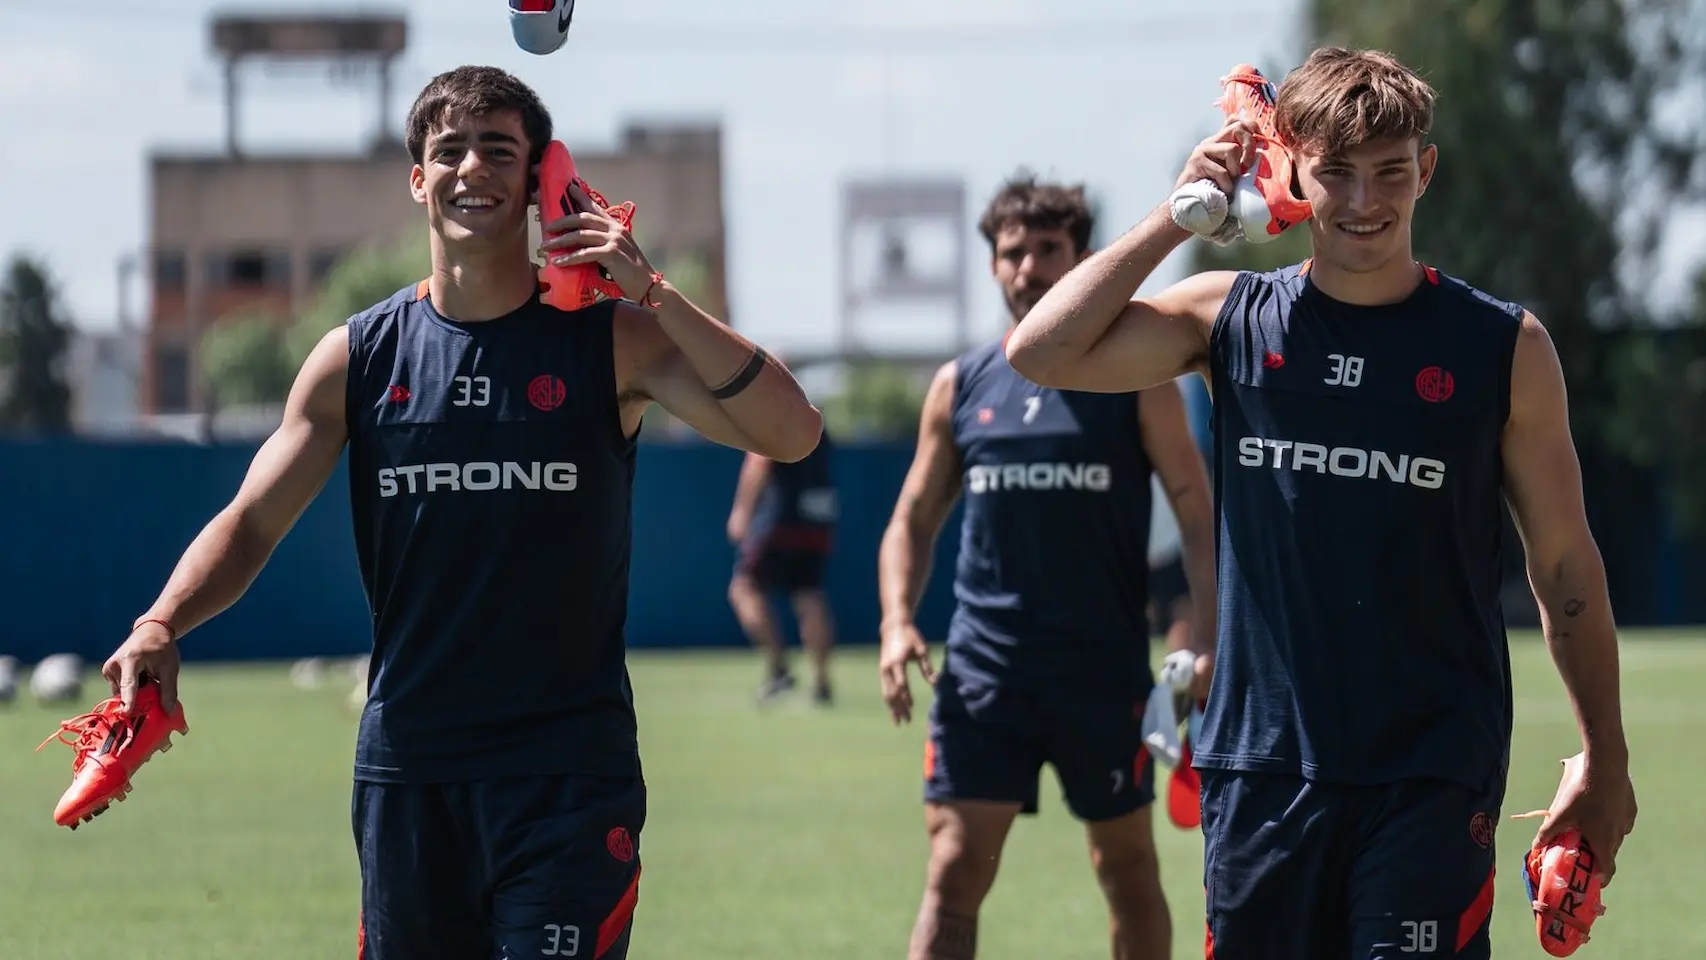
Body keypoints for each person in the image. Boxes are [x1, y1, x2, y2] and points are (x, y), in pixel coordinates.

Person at [85, 66, 822, 958]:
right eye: (450, 151)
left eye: (499, 151)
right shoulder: (353, 358)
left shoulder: (613, 343)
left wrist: (651, 290)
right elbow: (251, 521)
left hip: (567, 779)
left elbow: (790, 432)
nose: (473, 168)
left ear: (542, 181)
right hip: (410, 775)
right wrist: (162, 621)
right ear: (417, 178)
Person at [1003, 47, 1637, 959]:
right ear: (1292, 171)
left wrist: (1604, 759)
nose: (1365, 202)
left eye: (1388, 171)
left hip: (1431, 773)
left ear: (1425, 169)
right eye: (1335, 172)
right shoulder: (1228, 317)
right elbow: (1040, 352)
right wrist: (1173, 216)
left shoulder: (1502, 347)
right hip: (1259, 773)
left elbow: (1566, 567)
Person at [877, 173, 1216, 960]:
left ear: (1083, 258)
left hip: (1102, 674)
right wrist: (897, 622)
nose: (1028, 267)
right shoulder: (960, 384)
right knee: (954, 868)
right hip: (985, 673)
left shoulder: (1138, 381)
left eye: (1048, 250)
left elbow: (1198, 512)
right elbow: (912, 519)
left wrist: (1206, 634)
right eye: (1012, 252)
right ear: (992, 264)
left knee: (1126, 868)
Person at [725, 425, 840, 705]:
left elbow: (758, 462)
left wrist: (742, 512)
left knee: (743, 588)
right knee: (809, 593)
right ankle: (822, 682)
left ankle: (779, 668)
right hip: (817, 517)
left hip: (781, 515)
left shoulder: (770, 405)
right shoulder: (815, 420)